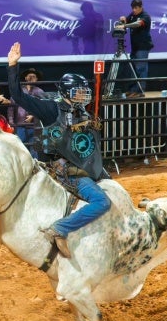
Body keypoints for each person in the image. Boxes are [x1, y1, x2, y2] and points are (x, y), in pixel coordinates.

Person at [6, 42, 109, 259]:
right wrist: (13, 66)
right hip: (63, 169)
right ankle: (60, 228)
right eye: (78, 92)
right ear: (67, 93)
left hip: (80, 166)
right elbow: (18, 95)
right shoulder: (50, 108)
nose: (83, 96)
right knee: (102, 202)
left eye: (84, 92)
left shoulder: (81, 112)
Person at [113, 0, 154, 98]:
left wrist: (125, 26)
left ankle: (140, 91)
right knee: (133, 69)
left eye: (136, 8)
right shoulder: (133, 15)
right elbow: (126, 20)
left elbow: (137, 24)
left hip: (143, 47)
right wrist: (123, 19)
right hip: (135, 46)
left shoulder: (145, 16)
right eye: (133, 8)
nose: (134, 10)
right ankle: (132, 90)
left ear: (141, 7)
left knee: (141, 68)